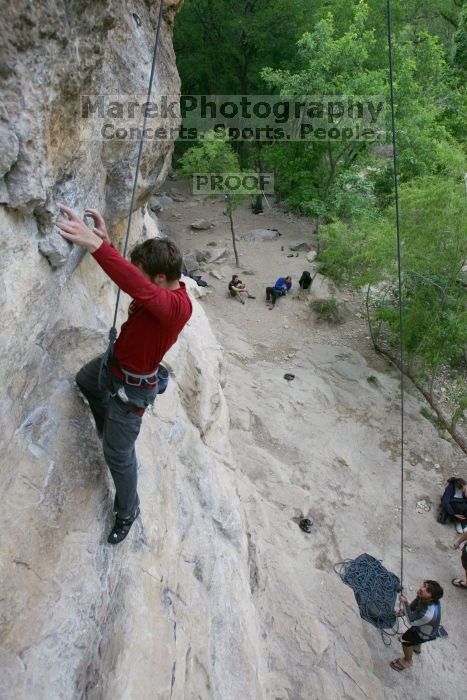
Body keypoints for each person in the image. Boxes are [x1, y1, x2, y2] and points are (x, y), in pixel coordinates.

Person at [56, 205, 192, 544]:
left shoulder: (176, 306)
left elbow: (138, 287)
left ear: (160, 278)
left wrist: (96, 247)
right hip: (113, 366)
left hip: (132, 390)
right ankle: (107, 420)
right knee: (85, 381)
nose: (137, 274)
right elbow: (137, 280)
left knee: (117, 454)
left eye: (143, 271)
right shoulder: (161, 290)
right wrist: (107, 245)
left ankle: (127, 510)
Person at [390, 580, 443, 671]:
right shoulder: (426, 598)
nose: (422, 589)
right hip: (427, 628)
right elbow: (415, 605)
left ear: (432, 597)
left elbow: (411, 621)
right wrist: (403, 612)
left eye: (428, 590)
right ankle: (416, 647)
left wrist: (405, 603)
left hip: (424, 632)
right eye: (424, 586)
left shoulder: (427, 614)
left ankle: (407, 661)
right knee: (417, 639)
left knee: (405, 640)